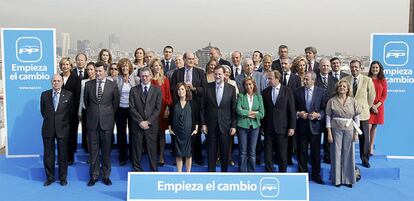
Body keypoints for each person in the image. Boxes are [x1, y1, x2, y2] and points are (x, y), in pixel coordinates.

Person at [84, 61, 119, 186]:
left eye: (100, 71)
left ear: (105, 71)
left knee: (106, 151)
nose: (97, 73)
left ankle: (105, 176)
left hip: (107, 123)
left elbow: (115, 105)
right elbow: (86, 103)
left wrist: (106, 115)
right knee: (93, 151)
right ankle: (94, 176)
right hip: (92, 123)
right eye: (96, 71)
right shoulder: (88, 85)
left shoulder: (112, 85)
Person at [170, 52, 207, 166]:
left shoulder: (200, 72)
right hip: (180, 105)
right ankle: (179, 157)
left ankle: (197, 157)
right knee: (179, 131)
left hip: (195, 106)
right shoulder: (177, 73)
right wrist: (181, 89)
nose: (191, 61)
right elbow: (172, 88)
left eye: (193, 59)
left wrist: (194, 88)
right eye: (189, 59)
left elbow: (205, 89)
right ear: (184, 59)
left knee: (195, 132)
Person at [326, 80, 361, 188]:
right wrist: (329, 133)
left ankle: (348, 179)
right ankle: (336, 179)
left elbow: (356, 117)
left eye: (344, 86)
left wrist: (356, 133)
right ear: (337, 88)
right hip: (336, 129)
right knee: (336, 153)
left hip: (349, 129)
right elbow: (328, 117)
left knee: (348, 154)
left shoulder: (353, 101)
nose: (342, 88)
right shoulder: (331, 101)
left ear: (348, 89)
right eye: (340, 86)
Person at [201, 65, 237, 172]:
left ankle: (223, 173)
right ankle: (211, 173)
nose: (217, 76)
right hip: (211, 125)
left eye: (219, 74)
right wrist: (203, 124)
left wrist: (233, 126)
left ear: (224, 74)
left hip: (225, 125)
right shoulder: (207, 87)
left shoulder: (231, 88)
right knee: (211, 151)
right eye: (215, 74)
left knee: (224, 151)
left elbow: (233, 109)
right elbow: (202, 108)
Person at [40, 74, 74, 186]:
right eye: (54, 81)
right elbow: (43, 112)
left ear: (62, 82)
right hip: (48, 128)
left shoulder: (69, 95)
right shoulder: (44, 95)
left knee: (63, 155)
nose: (56, 83)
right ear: (51, 82)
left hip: (63, 129)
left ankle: (63, 178)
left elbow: (71, 113)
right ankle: (50, 178)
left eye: (58, 81)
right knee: (48, 155)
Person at [294, 71, 327, 184]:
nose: (305, 81)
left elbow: (324, 110)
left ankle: (316, 175)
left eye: (307, 79)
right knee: (302, 152)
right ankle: (302, 175)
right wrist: (298, 113)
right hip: (302, 127)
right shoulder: (297, 91)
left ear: (313, 80)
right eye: (304, 79)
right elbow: (293, 108)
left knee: (315, 153)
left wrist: (318, 115)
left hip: (315, 127)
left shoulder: (321, 92)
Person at [343, 60, 375, 168]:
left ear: (360, 68)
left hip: (363, 114)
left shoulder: (367, 80)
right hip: (348, 115)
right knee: (347, 137)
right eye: (352, 67)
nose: (354, 69)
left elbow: (371, 97)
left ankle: (365, 159)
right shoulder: (345, 80)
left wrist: (365, 108)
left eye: (356, 67)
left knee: (364, 137)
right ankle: (346, 159)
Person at [129, 67, 162, 171]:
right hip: (137, 125)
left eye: (146, 76)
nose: (144, 78)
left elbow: (158, 108)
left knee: (152, 150)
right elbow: (132, 107)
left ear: (151, 76)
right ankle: (137, 170)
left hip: (151, 125)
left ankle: (153, 171)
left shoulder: (157, 90)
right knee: (137, 149)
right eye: (142, 76)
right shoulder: (134, 90)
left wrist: (148, 122)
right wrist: (140, 121)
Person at [262, 70, 295, 172]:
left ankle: (282, 174)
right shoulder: (265, 92)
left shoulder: (287, 91)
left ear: (277, 79)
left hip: (282, 128)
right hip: (268, 128)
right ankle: (269, 172)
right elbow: (264, 111)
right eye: (268, 78)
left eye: (270, 78)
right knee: (268, 153)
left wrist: (292, 127)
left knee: (282, 153)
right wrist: (263, 127)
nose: (268, 81)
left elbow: (292, 110)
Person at [236, 77, 264, 172]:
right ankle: (242, 172)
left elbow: (262, 114)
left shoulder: (259, 97)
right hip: (242, 126)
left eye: (250, 84)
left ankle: (251, 172)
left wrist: (250, 113)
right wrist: (252, 113)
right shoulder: (241, 96)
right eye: (246, 85)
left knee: (252, 152)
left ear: (254, 85)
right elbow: (238, 110)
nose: (248, 86)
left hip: (255, 127)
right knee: (242, 151)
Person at [169, 83, 199, 172]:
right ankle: (179, 173)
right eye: (178, 90)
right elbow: (170, 118)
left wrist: (196, 129)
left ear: (186, 91)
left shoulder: (192, 103)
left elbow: (196, 118)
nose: (180, 91)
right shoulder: (173, 104)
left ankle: (188, 173)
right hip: (177, 133)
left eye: (182, 89)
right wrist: (170, 129)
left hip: (189, 133)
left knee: (188, 154)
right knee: (178, 154)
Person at [115, 58, 139, 166]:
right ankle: (122, 156)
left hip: (132, 109)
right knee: (121, 133)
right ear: (120, 68)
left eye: (126, 66)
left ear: (130, 67)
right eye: (123, 66)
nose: (125, 68)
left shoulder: (135, 79)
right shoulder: (117, 79)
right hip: (120, 109)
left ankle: (133, 156)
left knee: (133, 132)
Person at [315, 58, 339, 164]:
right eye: (323, 66)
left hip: (330, 113)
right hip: (318, 112)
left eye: (327, 66)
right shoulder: (314, 79)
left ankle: (327, 156)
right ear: (319, 67)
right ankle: (315, 157)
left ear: (330, 68)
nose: (325, 68)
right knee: (316, 136)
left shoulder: (334, 80)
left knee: (329, 136)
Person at [150, 58, 173, 166]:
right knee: (153, 134)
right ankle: (153, 155)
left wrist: (168, 108)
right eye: (155, 65)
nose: (157, 67)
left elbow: (168, 95)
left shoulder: (165, 79)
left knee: (161, 133)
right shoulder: (149, 80)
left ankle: (161, 156)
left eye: (159, 65)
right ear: (152, 67)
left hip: (163, 109)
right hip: (151, 110)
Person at [59, 57, 80, 165]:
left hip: (72, 112)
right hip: (60, 113)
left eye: (67, 64)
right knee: (61, 136)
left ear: (71, 66)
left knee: (71, 135)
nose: (65, 66)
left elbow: (78, 96)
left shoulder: (76, 78)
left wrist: (76, 112)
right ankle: (62, 158)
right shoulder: (59, 78)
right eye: (63, 64)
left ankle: (70, 159)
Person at [368, 61, 387, 156]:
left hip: (379, 107)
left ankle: (371, 147)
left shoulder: (383, 80)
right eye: (373, 67)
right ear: (370, 69)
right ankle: (366, 146)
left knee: (374, 127)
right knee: (368, 126)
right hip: (369, 106)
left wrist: (376, 106)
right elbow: (365, 94)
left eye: (376, 68)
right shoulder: (367, 79)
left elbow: (384, 95)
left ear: (379, 69)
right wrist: (371, 105)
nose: (375, 69)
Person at [79, 62, 96, 154]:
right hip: (85, 109)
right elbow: (81, 97)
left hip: (96, 111)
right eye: (88, 69)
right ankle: (88, 150)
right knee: (86, 131)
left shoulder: (99, 81)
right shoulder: (83, 82)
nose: (89, 71)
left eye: (91, 69)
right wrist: (80, 112)